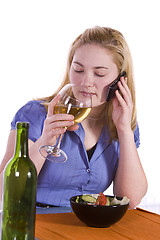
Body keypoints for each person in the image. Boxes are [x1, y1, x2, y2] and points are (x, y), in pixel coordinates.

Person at [0, 26, 147, 208]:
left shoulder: (122, 123)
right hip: (33, 224)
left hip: (87, 227)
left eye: (99, 73)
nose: (86, 82)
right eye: (78, 70)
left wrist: (124, 131)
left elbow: (130, 200)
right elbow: (4, 192)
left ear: (120, 80)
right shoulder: (34, 115)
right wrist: (45, 141)